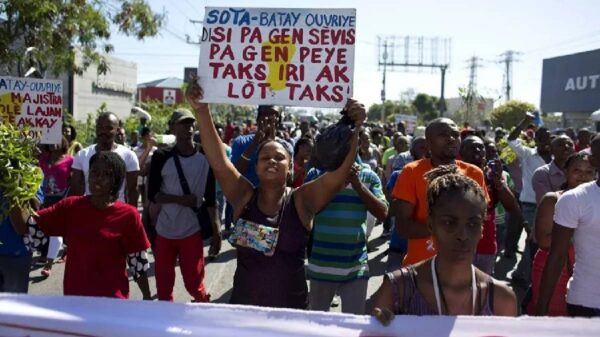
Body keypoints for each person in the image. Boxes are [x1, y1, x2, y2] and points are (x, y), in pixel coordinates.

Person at [186, 77, 366, 309]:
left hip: (290, 321)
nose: (271, 160)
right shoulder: (243, 195)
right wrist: (201, 111)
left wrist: (356, 126)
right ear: (256, 167)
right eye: (264, 157)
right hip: (243, 315)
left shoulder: (302, 200)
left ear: (290, 168)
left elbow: (338, 174)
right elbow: (220, 162)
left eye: (279, 157)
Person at [372, 165, 517, 320]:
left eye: (473, 224)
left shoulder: (502, 299)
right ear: (430, 225)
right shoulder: (398, 290)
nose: (462, 235)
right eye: (449, 223)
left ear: (482, 229)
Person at [25, 152, 152, 299]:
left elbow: (138, 263)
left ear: (115, 181)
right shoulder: (70, 206)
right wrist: (15, 191)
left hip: (113, 302)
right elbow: (31, 225)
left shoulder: (129, 215)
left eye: (106, 175)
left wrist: (147, 297)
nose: (98, 178)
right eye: (94, 172)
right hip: (76, 301)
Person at [392, 118, 488, 266]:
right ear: (428, 143)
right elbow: (403, 227)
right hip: (419, 269)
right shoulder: (411, 171)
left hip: (459, 269)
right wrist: (448, 227)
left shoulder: (474, 173)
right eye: (443, 135)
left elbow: (480, 220)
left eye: (456, 135)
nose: (451, 139)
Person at [147, 109, 221, 302]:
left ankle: (202, 319)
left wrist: (216, 231)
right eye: (182, 124)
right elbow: (153, 195)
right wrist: (181, 200)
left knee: (195, 285)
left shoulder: (205, 155)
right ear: (172, 127)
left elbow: (211, 198)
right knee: (164, 288)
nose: (187, 128)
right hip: (165, 232)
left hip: (191, 232)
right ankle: (164, 326)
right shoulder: (161, 156)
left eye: (190, 124)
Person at [306, 162, 388, 314]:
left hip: (356, 268)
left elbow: (383, 213)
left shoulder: (368, 176)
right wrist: (335, 183)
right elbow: (308, 209)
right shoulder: (316, 173)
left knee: (353, 326)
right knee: (316, 326)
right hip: (321, 267)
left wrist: (358, 185)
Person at [537, 136, 600, 317]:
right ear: (593, 160)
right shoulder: (574, 199)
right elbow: (556, 256)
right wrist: (541, 309)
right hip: (586, 303)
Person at [459, 136, 522, 275]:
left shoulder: (492, 175)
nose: (477, 150)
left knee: (482, 292)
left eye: (480, 147)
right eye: (472, 147)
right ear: (461, 152)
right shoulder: (453, 174)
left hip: (486, 248)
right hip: (459, 247)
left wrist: (498, 183)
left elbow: (512, 208)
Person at [506, 114, 552, 284]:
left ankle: (521, 273)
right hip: (530, 205)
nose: (545, 141)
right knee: (535, 240)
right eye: (541, 137)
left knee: (536, 241)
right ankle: (527, 276)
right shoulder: (527, 154)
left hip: (550, 207)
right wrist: (524, 121)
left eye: (547, 137)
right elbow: (511, 140)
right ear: (536, 139)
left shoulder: (557, 158)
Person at [70, 112, 140, 207]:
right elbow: (75, 190)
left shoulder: (129, 156)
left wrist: (132, 216)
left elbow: (132, 191)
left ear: (117, 130)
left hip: (117, 214)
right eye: (100, 127)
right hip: (89, 212)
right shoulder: (82, 155)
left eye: (109, 128)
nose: (103, 131)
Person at [37, 136, 74, 277]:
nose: (52, 143)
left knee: (55, 232)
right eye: (50, 140)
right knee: (42, 229)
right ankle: (46, 252)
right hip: (42, 200)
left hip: (61, 199)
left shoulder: (70, 160)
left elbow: (74, 181)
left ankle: (48, 265)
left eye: (55, 140)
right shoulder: (41, 160)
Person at [0, 190, 42, 293]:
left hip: (15, 253)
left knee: (12, 304)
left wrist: (16, 194)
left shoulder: (26, 177)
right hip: (15, 252)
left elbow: (23, 226)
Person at [231, 106, 281, 187]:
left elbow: (288, 179)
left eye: (274, 115)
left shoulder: (285, 146)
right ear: (258, 119)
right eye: (265, 114)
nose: (268, 118)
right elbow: (235, 173)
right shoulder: (241, 142)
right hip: (243, 196)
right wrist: (254, 143)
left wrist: (272, 144)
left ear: (279, 121)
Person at [532, 135, 575, 204]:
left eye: (570, 144)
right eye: (561, 145)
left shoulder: (583, 172)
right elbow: (549, 201)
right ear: (551, 150)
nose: (566, 147)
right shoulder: (542, 173)